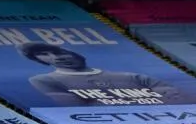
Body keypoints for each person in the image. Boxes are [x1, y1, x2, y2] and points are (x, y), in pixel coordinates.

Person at [18, 43, 191, 107]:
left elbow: (182, 98)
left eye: (57, 51)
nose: (57, 57)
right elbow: (75, 106)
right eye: (45, 54)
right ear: (41, 61)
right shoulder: (44, 80)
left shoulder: (132, 77)